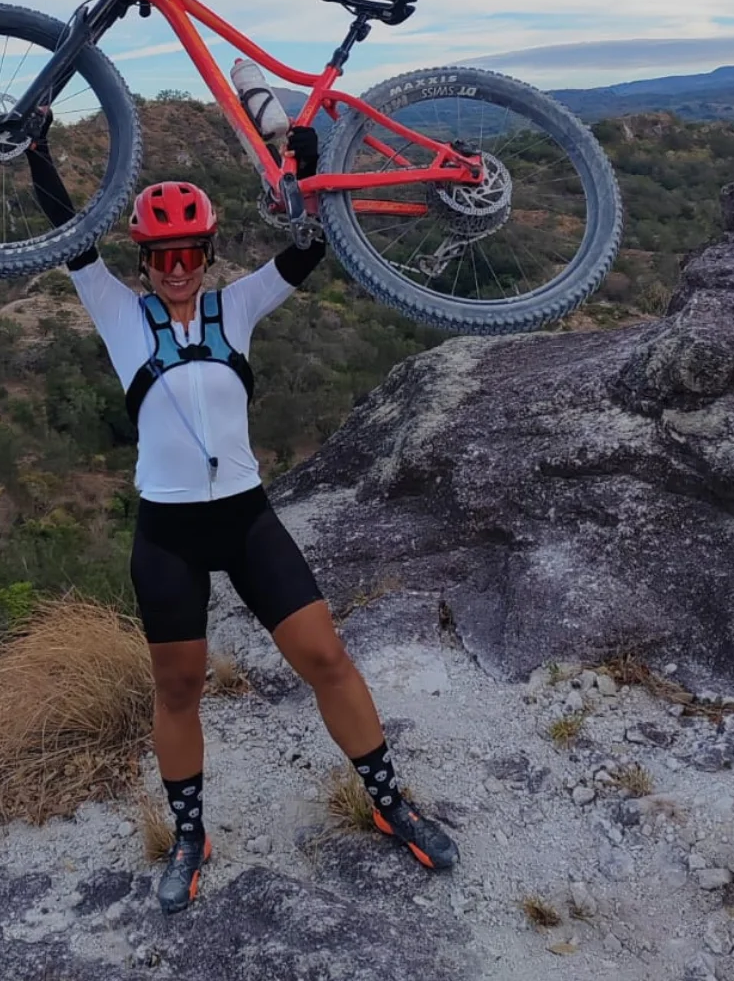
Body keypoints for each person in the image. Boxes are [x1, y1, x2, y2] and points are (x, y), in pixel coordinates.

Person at [25, 115, 459, 915]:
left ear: (208, 255)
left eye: (191, 254)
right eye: (163, 257)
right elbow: (69, 238)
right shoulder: (121, 315)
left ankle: (389, 802)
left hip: (247, 519)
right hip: (169, 533)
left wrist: (307, 164)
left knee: (326, 659)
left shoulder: (235, 310)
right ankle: (189, 836)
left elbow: (306, 250)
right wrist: (37, 152)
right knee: (180, 688)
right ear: (145, 262)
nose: (179, 270)